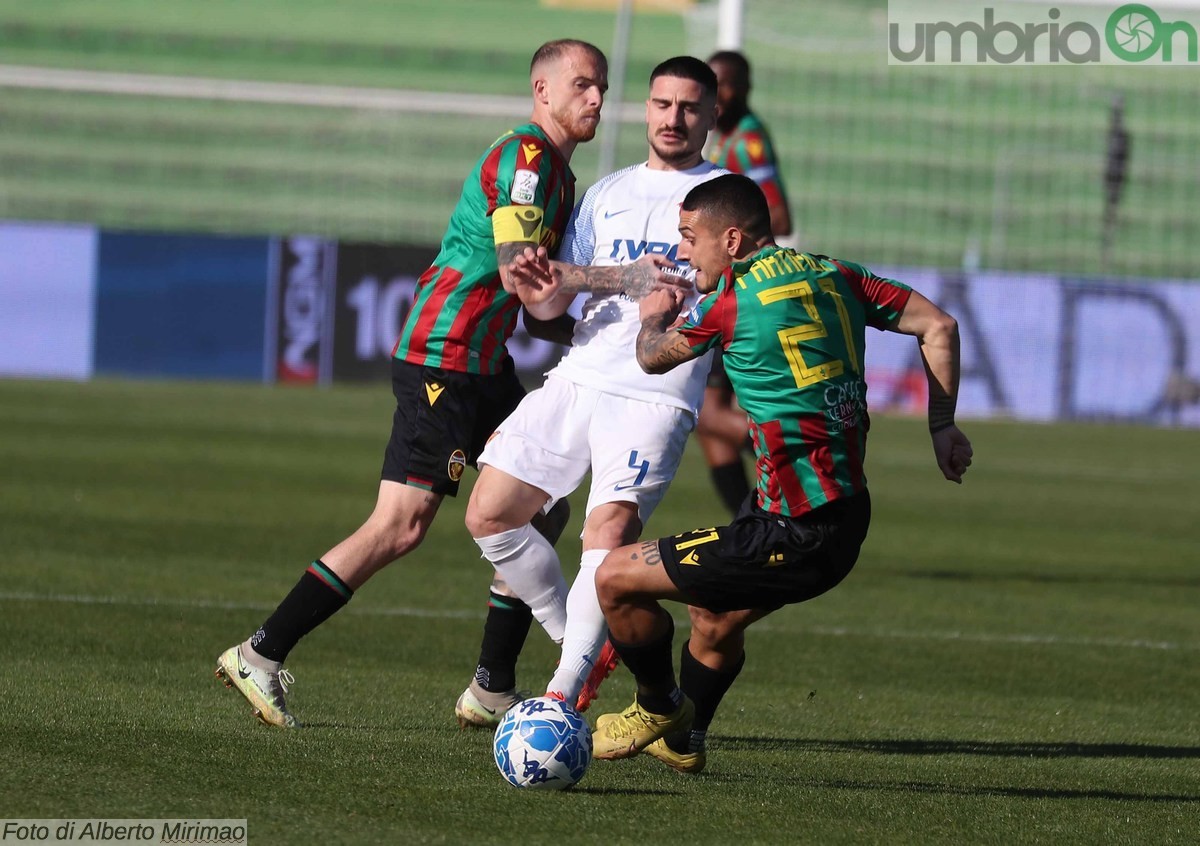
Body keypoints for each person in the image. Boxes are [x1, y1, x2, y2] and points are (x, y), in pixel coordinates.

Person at [212, 39, 677, 729]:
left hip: (482, 361)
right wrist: (625, 279)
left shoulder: (558, 174)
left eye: (603, 87)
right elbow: (523, 267)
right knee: (401, 525)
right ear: (541, 92)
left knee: (539, 504)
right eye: (582, 85)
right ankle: (261, 652)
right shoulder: (525, 161)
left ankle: (492, 688)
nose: (597, 100)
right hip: (445, 356)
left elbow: (538, 301)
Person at [589, 173, 974, 772]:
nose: (684, 251)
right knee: (712, 621)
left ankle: (657, 706)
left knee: (614, 576)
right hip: (840, 514)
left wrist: (652, 314)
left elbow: (650, 357)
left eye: (691, 238)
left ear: (734, 240)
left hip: (793, 530)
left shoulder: (728, 306)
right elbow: (939, 326)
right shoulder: (836, 274)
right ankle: (685, 741)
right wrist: (942, 427)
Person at [457, 55, 728, 727]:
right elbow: (551, 310)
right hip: (579, 376)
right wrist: (542, 280)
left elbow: (733, 298)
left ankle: (560, 695)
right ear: (647, 108)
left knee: (605, 532)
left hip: (655, 393)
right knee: (489, 512)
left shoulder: (727, 197)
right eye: (662, 104)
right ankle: (577, 643)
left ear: (711, 116)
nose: (673, 118)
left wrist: (670, 311)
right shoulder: (606, 192)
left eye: (690, 107)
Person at [697, 50, 795, 520]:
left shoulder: (749, 142)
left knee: (704, 411)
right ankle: (747, 519)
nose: (720, 95)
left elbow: (778, 215)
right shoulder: (726, 137)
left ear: (745, 87)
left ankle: (795, 460)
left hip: (744, 289)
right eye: (713, 85)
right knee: (708, 422)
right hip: (725, 287)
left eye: (727, 84)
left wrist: (725, 238)